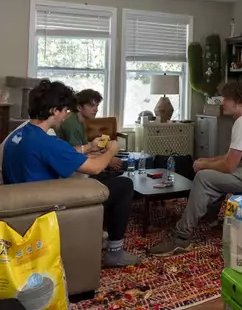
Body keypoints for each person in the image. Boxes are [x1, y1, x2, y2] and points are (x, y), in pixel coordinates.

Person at [2, 80, 140, 267]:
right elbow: (94, 167)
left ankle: (97, 234)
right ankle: (115, 251)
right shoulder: (47, 142)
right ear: (54, 111)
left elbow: (59, 153)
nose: (67, 116)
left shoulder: (20, 135)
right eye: (65, 111)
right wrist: (112, 150)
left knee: (106, 180)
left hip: (24, 200)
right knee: (123, 185)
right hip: (47, 206)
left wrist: (89, 147)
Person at [151, 80, 242, 256]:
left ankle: (181, 238)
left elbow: (229, 166)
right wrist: (208, 161)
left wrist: (203, 165)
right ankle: (209, 218)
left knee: (204, 177)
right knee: (213, 172)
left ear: (239, 101)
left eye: (226, 98)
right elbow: (231, 157)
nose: (222, 102)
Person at [57, 89, 122, 171]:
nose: (96, 109)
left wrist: (103, 153)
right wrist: (108, 160)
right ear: (79, 107)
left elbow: (84, 148)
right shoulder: (72, 124)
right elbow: (76, 154)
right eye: (92, 106)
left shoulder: (80, 121)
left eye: (97, 106)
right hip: (75, 169)